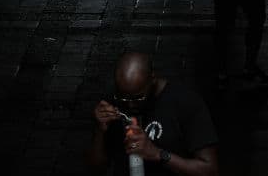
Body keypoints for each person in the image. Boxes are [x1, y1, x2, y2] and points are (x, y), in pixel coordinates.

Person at [83, 52, 219, 175]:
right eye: (124, 98)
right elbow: (97, 168)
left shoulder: (185, 102)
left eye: (138, 98)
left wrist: (157, 154)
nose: (130, 105)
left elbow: (210, 170)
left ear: (153, 79)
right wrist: (100, 130)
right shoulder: (114, 102)